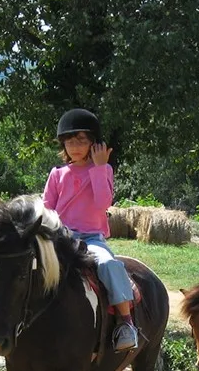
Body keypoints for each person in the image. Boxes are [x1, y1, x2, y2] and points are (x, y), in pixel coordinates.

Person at [43, 108, 137, 351]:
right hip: (61, 236)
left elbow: (103, 203)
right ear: (63, 144)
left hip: (91, 238)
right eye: (70, 141)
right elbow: (47, 208)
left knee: (107, 264)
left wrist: (99, 167)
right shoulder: (57, 174)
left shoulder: (103, 170)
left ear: (94, 144)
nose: (75, 146)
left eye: (82, 140)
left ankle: (125, 322)